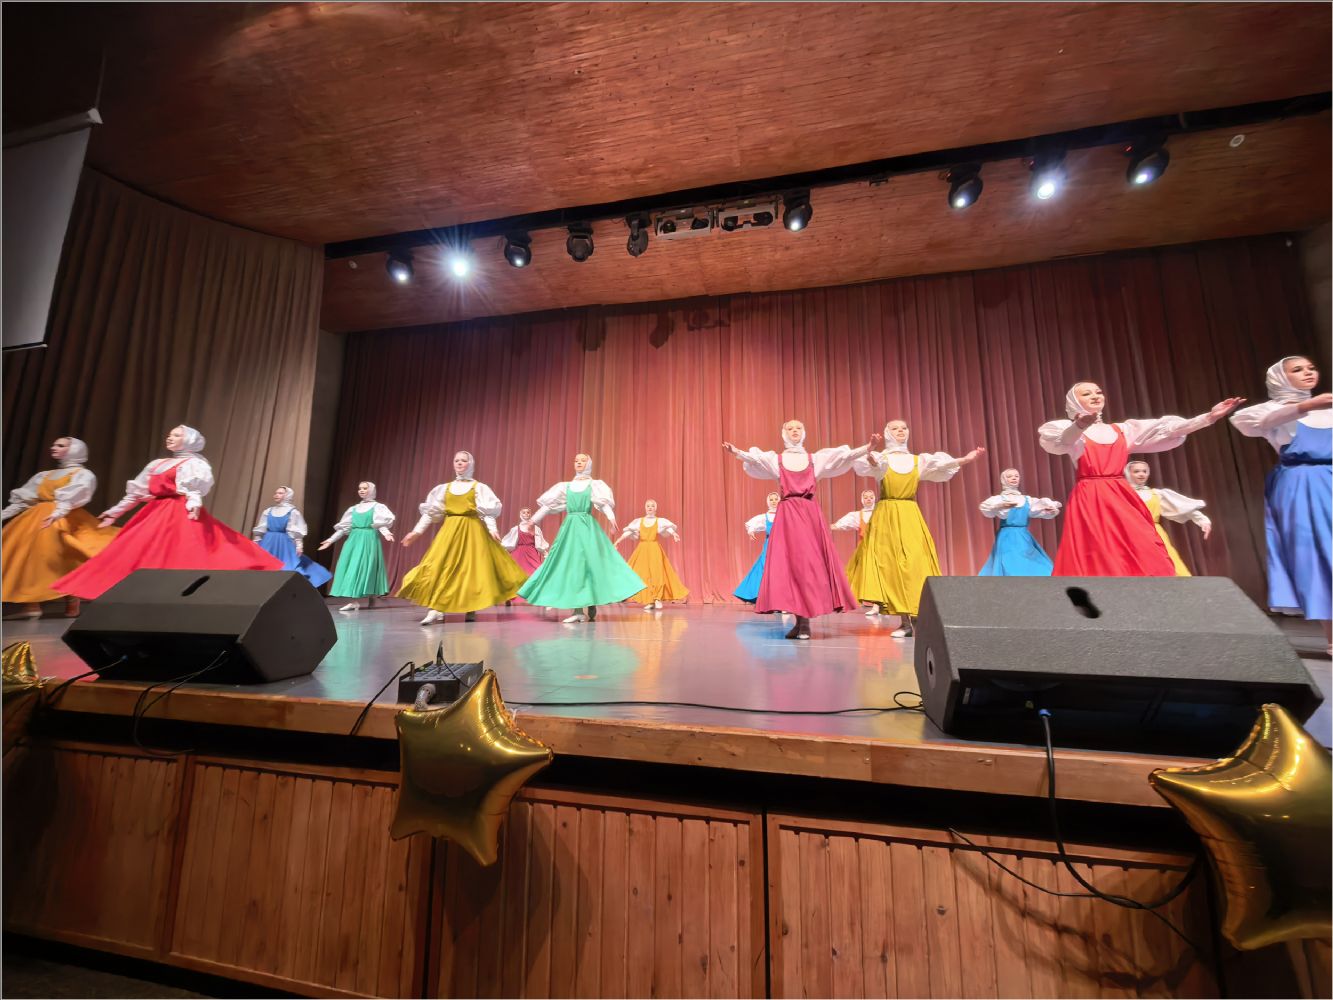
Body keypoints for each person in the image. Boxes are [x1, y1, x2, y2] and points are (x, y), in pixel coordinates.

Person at [54, 425, 281, 600]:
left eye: (177, 435)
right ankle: (141, 594)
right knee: (135, 551)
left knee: (185, 552)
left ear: (189, 440)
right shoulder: (157, 464)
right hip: (156, 511)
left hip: (181, 511)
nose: (170, 437)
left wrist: (193, 501)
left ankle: (183, 595)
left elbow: (192, 488)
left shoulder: (194, 463)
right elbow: (137, 492)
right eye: (170, 434)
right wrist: (115, 512)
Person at [1038, 382, 1242, 576]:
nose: (1095, 396)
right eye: (1087, 393)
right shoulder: (1069, 430)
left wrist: (1208, 417)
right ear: (1075, 401)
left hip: (1120, 493)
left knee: (1142, 541)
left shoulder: (1122, 430)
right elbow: (1063, 441)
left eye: (1098, 392)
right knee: (1098, 547)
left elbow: (1170, 429)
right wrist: (1079, 425)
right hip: (1091, 494)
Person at [723, 420, 880, 640]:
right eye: (790, 428)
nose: (794, 431)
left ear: (804, 432)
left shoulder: (814, 460)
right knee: (791, 567)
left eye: (798, 428)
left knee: (807, 565)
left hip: (808, 514)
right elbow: (755, 459)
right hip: (787, 515)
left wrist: (868, 447)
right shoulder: (777, 460)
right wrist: (736, 452)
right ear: (784, 433)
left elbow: (844, 457)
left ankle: (805, 622)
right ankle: (799, 622)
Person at [1229, 355, 1331, 652]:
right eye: (1297, 370)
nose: (1308, 373)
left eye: (1311, 368)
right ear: (1281, 378)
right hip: (1301, 483)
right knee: (1317, 555)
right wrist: (1304, 407)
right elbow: (1248, 423)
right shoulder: (1271, 410)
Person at [852, 420, 985, 637]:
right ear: (887, 433)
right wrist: (871, 451)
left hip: (909, 514)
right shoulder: (883, 458)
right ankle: (905, 622)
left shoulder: (918, 461)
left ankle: (917, 616)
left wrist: (966, 459)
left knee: (916, 563)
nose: (900, 431)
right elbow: (873, 465)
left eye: (904, 428)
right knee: (892, 566)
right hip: (886, 515)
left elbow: (942, 466)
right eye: (895, 428)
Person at [397, 451, 527, 624]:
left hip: (472, 531)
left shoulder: (479, 487)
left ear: (470, 464)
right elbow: (430, 513)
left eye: (463, 460)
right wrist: (416, 532)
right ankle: (435, 609)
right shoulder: (444, 488)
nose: (459, 463)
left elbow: (487, 512)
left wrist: (492, 529)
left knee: (471, 569)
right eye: (456, 460)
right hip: (450, 531)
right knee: (440, 566)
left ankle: (470, 608)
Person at [517, 454, 646, 623]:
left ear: (589, 464)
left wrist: (611, 518)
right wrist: (533, 521)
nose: (578, 462)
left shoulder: (594, 485)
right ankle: (578, 610)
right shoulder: (566, 487)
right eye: (576, 460)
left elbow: (603, 504)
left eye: (582, 460)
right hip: (571, 528)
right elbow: (548, 506)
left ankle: (590, 601)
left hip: (587, 527)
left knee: (592, 563)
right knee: (573, 565)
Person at [2, 437, 117, 618]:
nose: (53, 447)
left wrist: (58, 513)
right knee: (29, 558)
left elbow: (73, 497)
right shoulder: (44, 475)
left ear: (74, 450)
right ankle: (31, 605)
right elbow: (24, 499)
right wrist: (4, 514)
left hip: (63, 517)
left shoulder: (82, 474)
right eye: (54, 444)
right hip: (35, 517)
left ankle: (72, 599)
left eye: (60, 445)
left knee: (61, 558)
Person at [318, 482, 395, 612]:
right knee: (350, 567)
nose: (361, 490)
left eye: (365, 488)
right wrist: (330, 540)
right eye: (360, 488)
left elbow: (380, 524)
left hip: (369, 539)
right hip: (353, 540)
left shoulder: (377, 507)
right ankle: (353, 602)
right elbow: (343, 528)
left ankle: (371, 594)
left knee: (367, 567)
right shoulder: (353, 509)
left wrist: (387, 534)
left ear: (371, 490)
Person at [1123, 461, 1210, 576]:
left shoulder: (1156, 494)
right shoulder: (1122, 494)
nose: (1141, 474)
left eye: (1144, 471)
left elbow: (1182, 507)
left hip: (1153, 532)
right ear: (1128, 473)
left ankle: (1181, 585)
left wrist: (1203, 521)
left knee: (1167, 560)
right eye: (1136, 471)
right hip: (1131, 533)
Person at [977, 468, 1061, 577]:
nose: (1014, 478)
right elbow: (986, 508)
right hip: (1007, 536)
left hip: (1023, 536)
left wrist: (1050, 510)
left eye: (1016, 476)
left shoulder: (1027, 500)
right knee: (1010, 564)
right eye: (1010, 476)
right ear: (1003, 479)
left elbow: (1039, 510)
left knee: (1036, 564)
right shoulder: (1000, 499)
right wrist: (1000, 506)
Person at [252, 486, 332, 588]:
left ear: (287, 495)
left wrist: (299, 545)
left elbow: (296, 530)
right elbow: (261, 527)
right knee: (265, 566)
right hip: (268, 542)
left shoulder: (292, 512)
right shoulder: (268, 511)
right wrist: (256, 541)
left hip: (284, 543)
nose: (276, 495)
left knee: (287, 566)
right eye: (276, 493)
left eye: (280, 493)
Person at [615, 499, 688, 610]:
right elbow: (628, 532)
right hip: (642, 550)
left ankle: (657, 598)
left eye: (652, 506)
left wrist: (674, 534)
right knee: (644, 575)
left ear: (655, 508)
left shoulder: (659, 521)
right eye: (648, 506)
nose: (650, 507)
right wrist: (618, 541)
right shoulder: (639, 521)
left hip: (654, 549)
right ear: (645, 508)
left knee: (656, 573)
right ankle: (650, 601)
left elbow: (668, 528)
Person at [832, 489, 881, 615]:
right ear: (862, 500)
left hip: (878, 548)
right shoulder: (858, 515)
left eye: (871, 497)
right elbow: (841, 524)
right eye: (866, 497)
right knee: (856, 574)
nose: (868, 499)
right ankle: (846, 602)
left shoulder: (880, 513)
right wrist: (830, 526)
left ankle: (878, 606)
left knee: (878, 576)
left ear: (874, 499)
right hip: (864, 548)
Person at [734, 491, 780, 604]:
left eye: (776, 499)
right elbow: (752, 524)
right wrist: (751, 532)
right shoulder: (765, 517)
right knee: (764, 569)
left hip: (782, 545)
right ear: (768, 502)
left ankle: (780, 598)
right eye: (771, 500)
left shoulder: (784, 515)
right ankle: (760, 595)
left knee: (780, 570)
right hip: (769, 546)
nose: (774, 501)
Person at [500, 507, 549, 605]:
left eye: (528, 512)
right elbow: (510, 542)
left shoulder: (536, 529)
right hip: (518, 553)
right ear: (520, 514)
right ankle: (510, 597)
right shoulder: (516, 529)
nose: (526, 514)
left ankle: (539, 597)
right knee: (515, 575)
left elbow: (539, 543)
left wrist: (544, 553)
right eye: (524, 512)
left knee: (536, 573)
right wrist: (505, 553)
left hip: (532, 553)